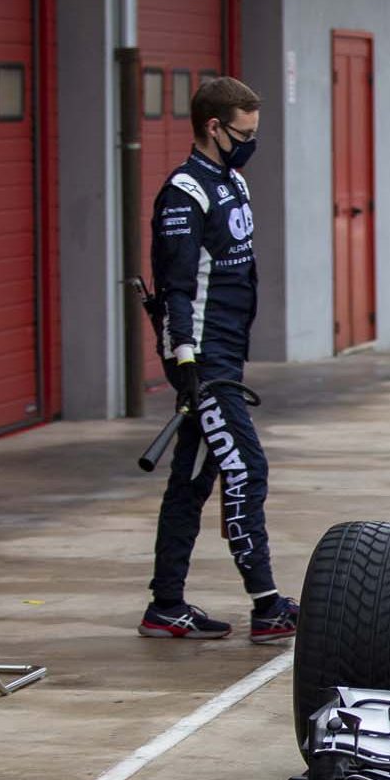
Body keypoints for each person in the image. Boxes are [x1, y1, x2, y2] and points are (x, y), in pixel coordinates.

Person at [137, 77, 298, 643]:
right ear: (213, 127)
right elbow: (176, 286)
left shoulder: (234, 182)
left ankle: (165, 604)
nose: (252, 142)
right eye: (244, 132)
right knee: (245, 468)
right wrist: (185, 363)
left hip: (228, 353)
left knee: (192, 479)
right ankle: (267, 604)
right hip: (202, 360)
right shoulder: (184, 192)